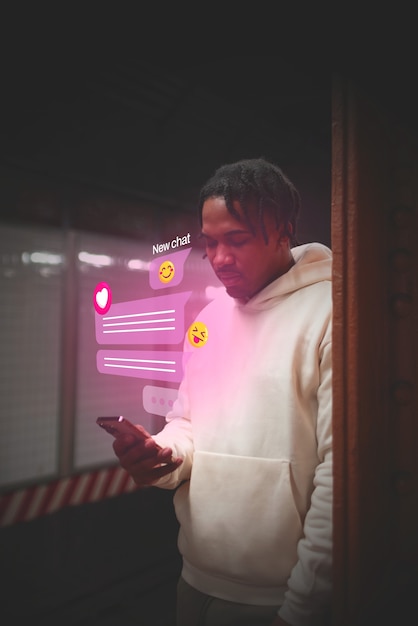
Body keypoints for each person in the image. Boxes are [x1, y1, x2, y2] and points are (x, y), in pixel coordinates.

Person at [113, 157, 333, 625]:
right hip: (194, 579)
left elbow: (342, 476)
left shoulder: (333, 314)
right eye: (209, 243)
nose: (219, 259)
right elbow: (189, 422)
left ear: (283, 232)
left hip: (280, 597)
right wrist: (163, 453)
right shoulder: (210, 319)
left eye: (238, 239)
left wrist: (303, 608)